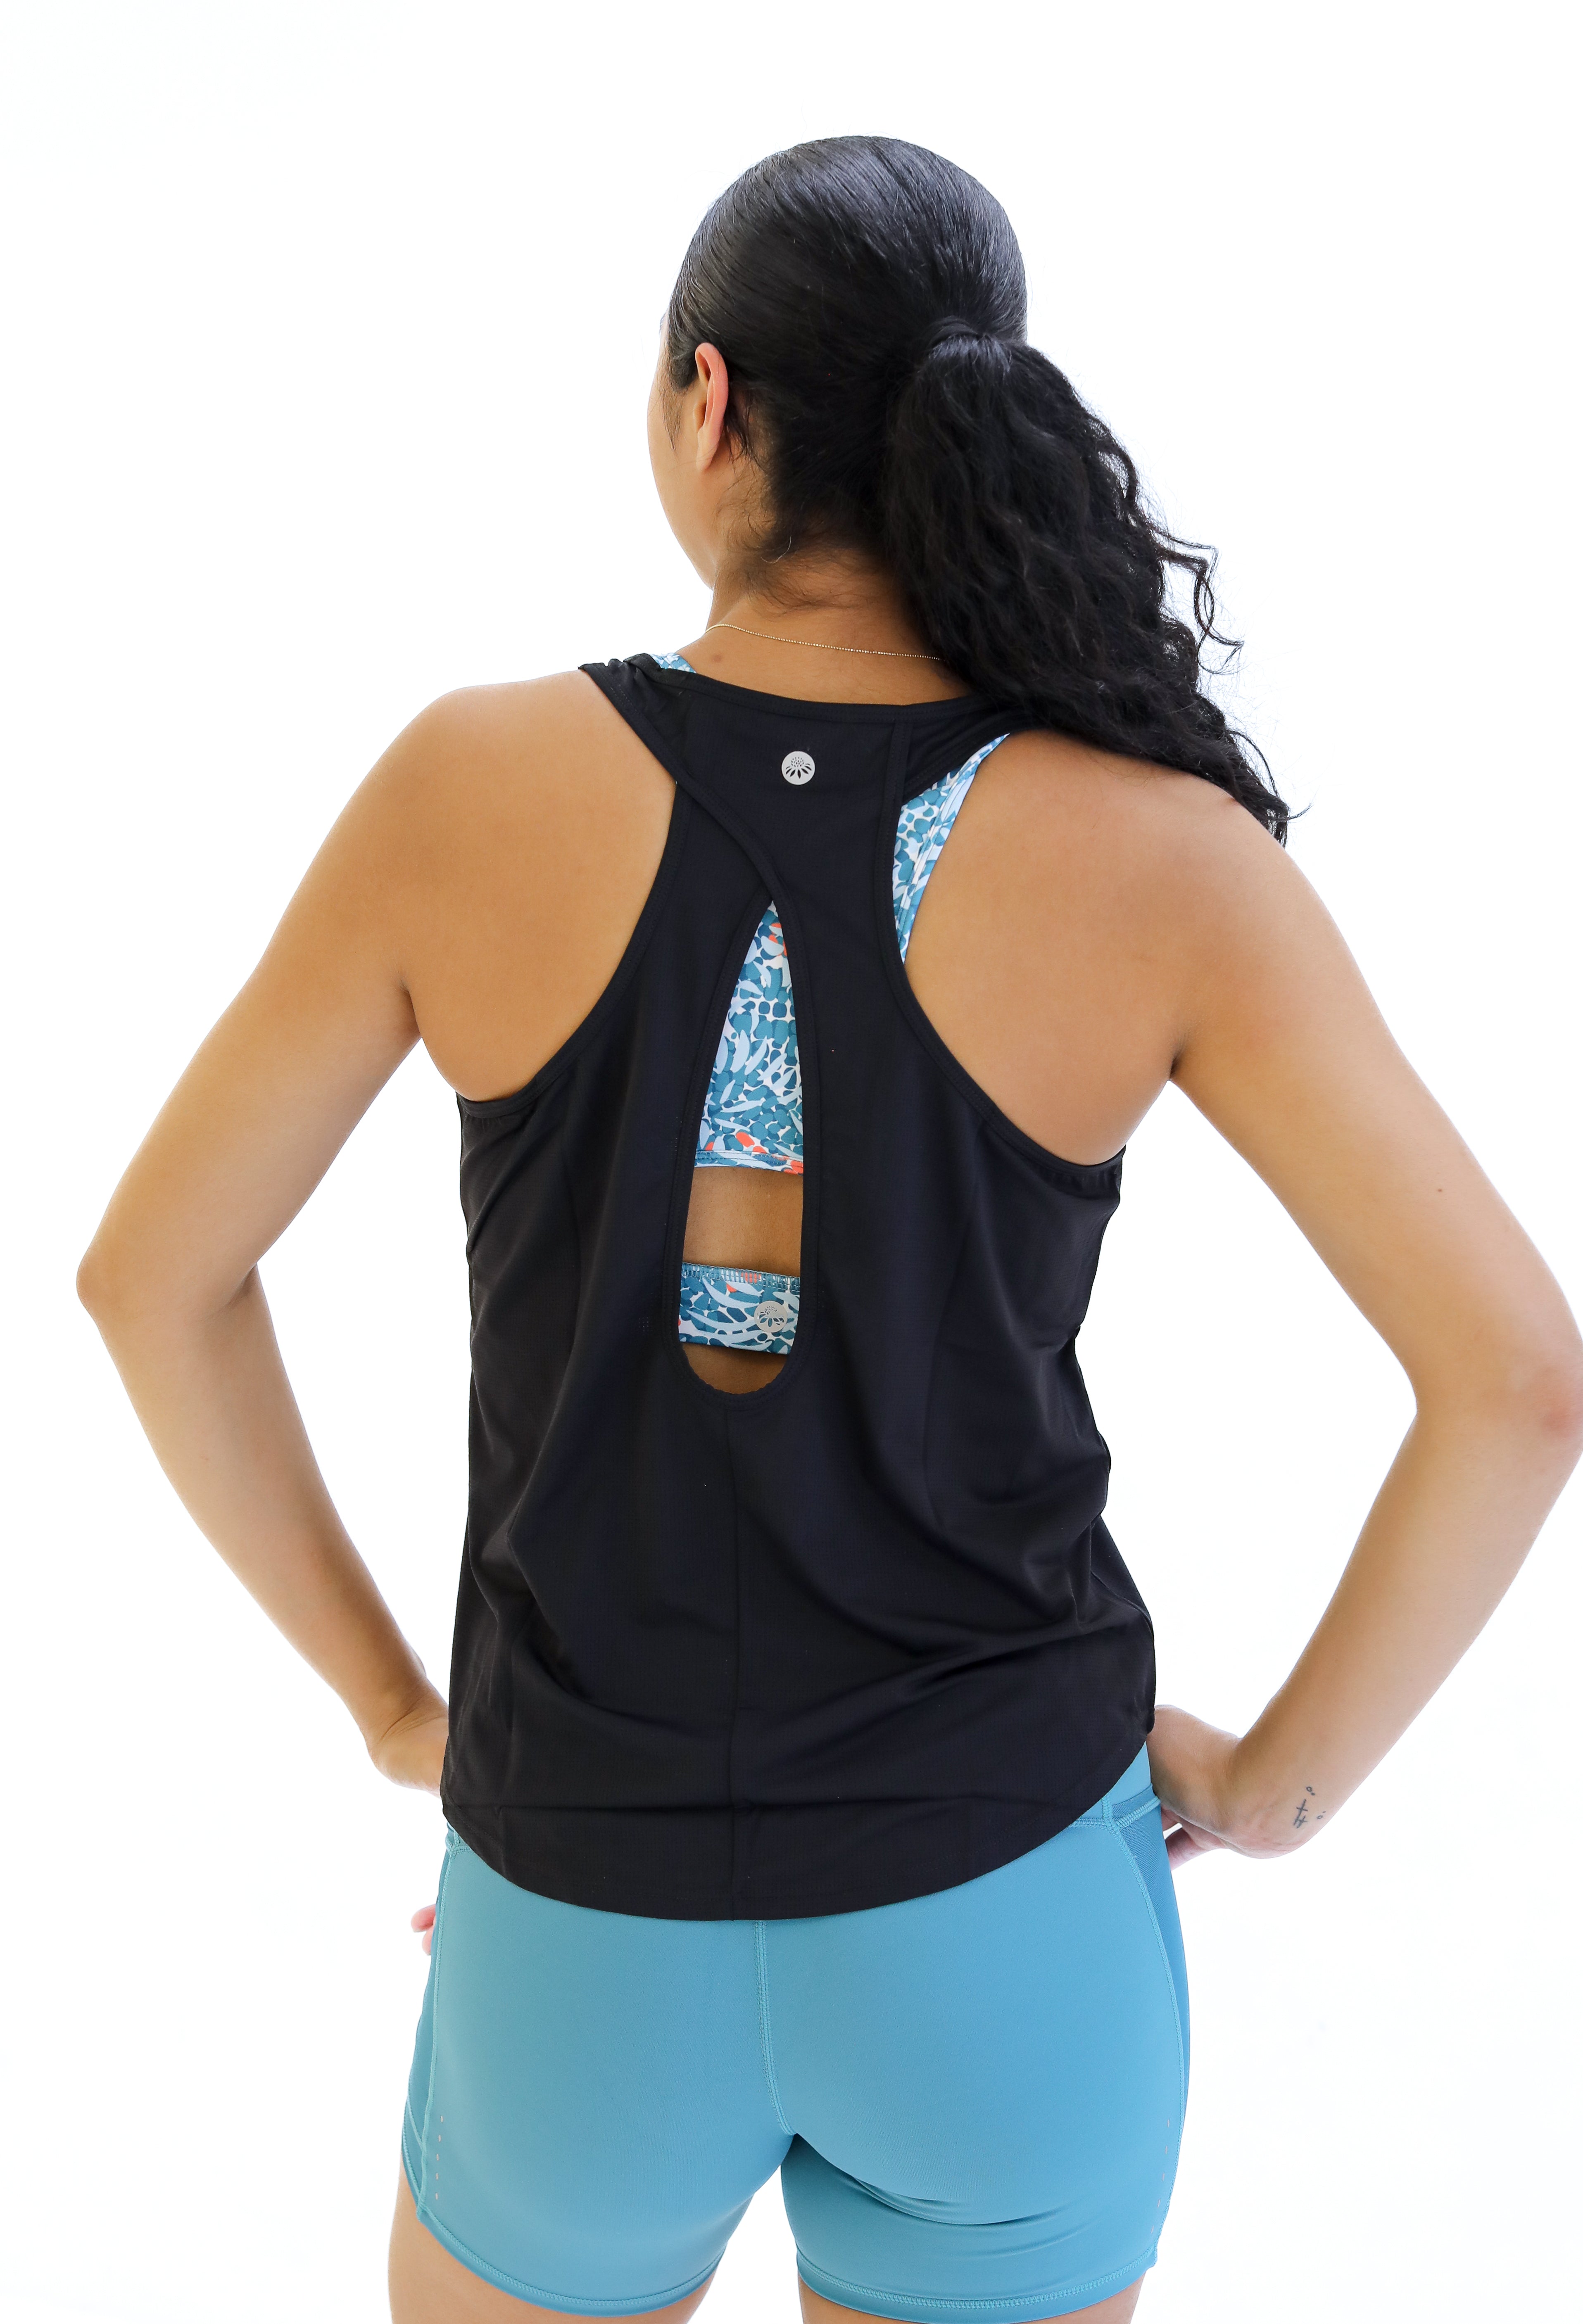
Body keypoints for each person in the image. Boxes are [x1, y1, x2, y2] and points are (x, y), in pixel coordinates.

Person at [78, 135, 1582, 2324]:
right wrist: (1273, 1791)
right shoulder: (1165, 854)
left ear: (710, 402)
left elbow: (151, 1278)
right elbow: (1518, 1382)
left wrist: (402, 1707)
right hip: (1012, 1928)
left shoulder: (466, 785)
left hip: (578, 1933)